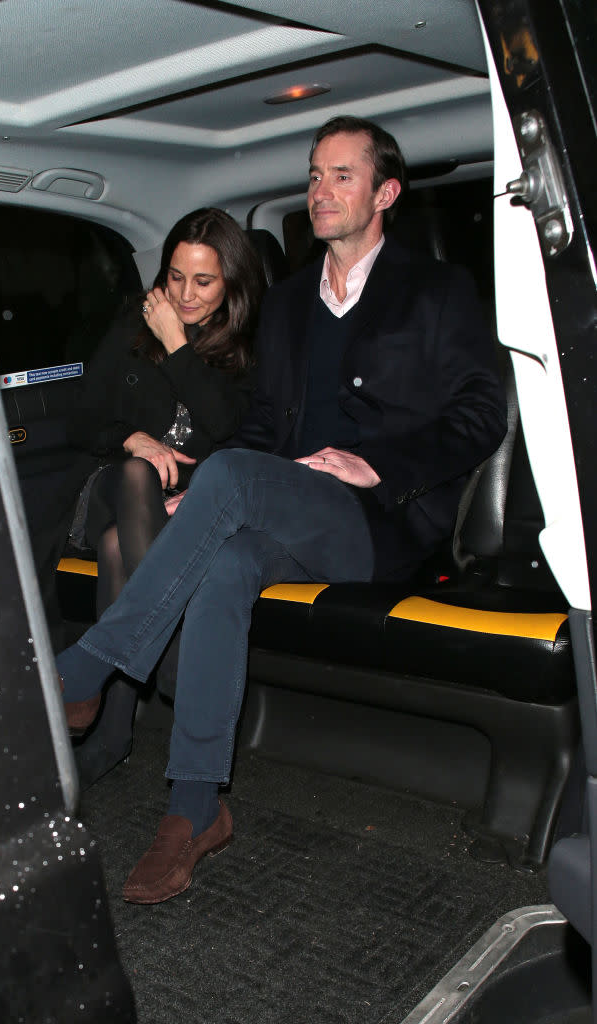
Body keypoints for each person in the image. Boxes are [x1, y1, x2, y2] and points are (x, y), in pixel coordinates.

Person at [58, 115, 507, 905]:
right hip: (286, 510)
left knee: (229, 475)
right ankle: (195, 808)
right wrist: (204, 483)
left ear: (385, 193)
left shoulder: (438, 290)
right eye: (313, 174)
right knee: (225, 560)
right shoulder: (294, 300)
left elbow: (479, 415)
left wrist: (377, 465)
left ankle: (83, 669)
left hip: (374, 523)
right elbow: (264, 428)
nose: (320, 190)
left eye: (341, 175)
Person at [65, 208, 264, 786]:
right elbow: (80, 421)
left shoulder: (243, 346)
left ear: (231, 283)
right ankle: (173, 658)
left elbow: (225, 425)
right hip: (110, 484)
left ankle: (111, 733)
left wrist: (178, 343)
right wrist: (132, 439)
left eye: (203, 281)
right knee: (134, 479)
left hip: (190, 507)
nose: (184, 293)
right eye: (175, 277)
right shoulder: (132, 321)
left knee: (116, 549)